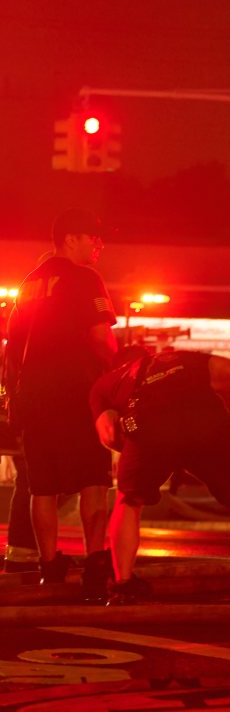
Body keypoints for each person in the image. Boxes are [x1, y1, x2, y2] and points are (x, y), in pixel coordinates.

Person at [89, 347, 230, 605]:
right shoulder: (184, 358)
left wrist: (139, 458)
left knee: (128, 502)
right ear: (149, 354)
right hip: (207, 423)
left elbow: (109, 435)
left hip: (150, 430)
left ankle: (123, 587)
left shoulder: (105, 384)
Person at [1, 209, 117, 602]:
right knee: (94, 480)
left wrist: (14, 395)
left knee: (42, 487)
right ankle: (97, 563)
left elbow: (12, 346)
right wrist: (115, 367)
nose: (99, 245)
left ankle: (49, 566)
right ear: (70, 239)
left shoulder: (27, 284)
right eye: (93, 238)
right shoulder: (85, 277)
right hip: (76, 392)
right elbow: (101, 337)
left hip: (33, 396)